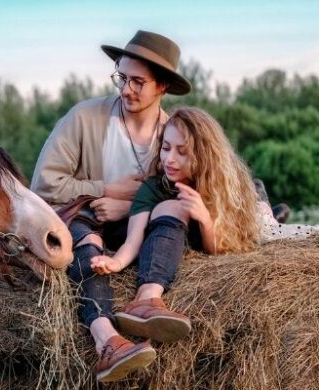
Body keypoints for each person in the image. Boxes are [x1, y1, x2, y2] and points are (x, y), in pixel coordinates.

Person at [31, 30, 192, 382]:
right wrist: (104, 188)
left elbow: (185, 192)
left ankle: (148, 300)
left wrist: (126, 205)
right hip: (82, 223)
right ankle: (108, 341)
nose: (126, 89)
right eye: (121, 77)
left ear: (162, 86)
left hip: (133, 227)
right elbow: (44, 184)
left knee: (172, 213)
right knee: (83, 239)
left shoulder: (174, 134)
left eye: (138, 82)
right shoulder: (84, 118)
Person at [89, 106, 259, 355]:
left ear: (204, 155)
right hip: (157, 243)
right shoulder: (155, 187)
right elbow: (133, 240)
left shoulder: (219, 191)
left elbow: (219, 250)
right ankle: (146, 297)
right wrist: (116, 262)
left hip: (192, 244)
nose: (169, 159)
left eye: (182, 152)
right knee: (173, 205)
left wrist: (204, 219)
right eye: (166, 148)